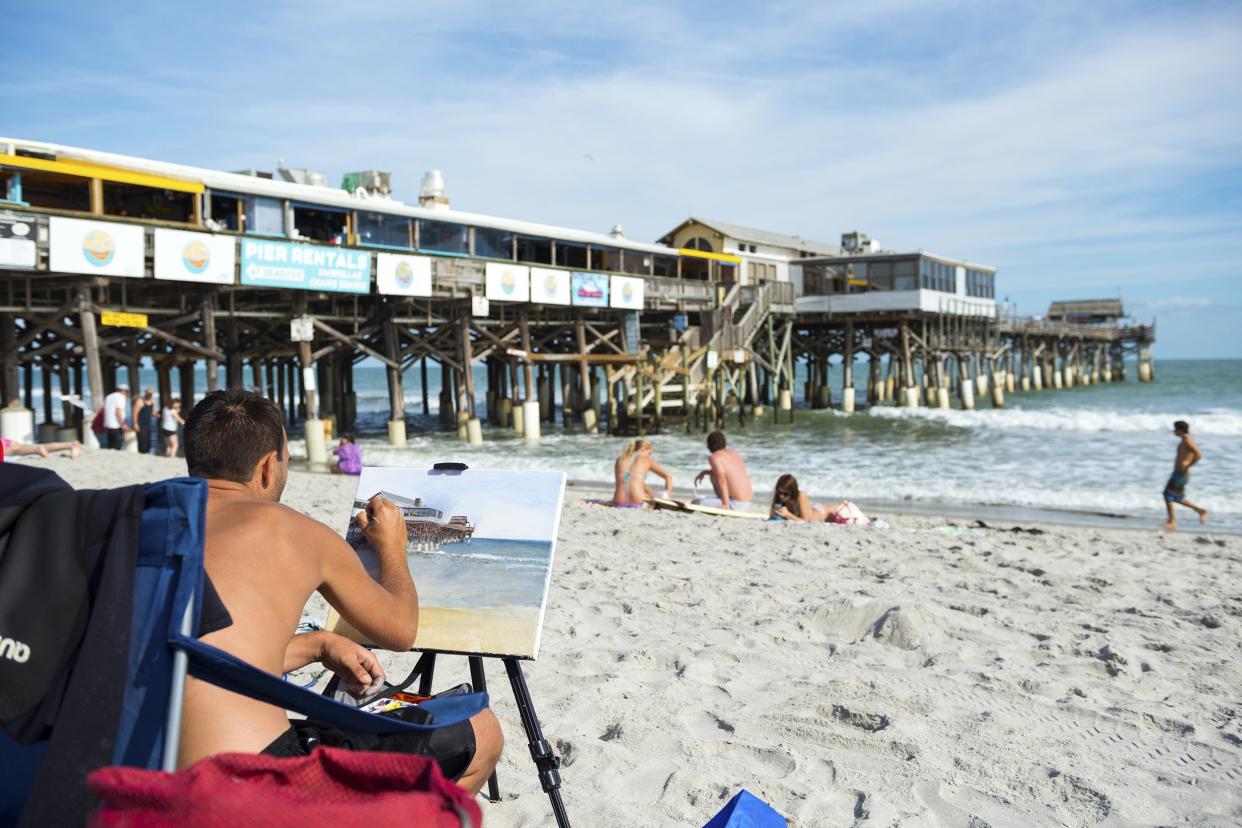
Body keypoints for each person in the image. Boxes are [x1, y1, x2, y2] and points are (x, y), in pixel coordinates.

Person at [177, 389, 502, 794]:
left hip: (144, 756)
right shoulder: (293, 530)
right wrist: (393, 551)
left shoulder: (134, 521)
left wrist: (316, 645)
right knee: (481, 729)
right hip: (253, 775)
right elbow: (399, 630)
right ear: (266, 467)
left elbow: (200, 656)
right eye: (285, 463)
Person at [770, 474, 869, 525]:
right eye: (779, 492)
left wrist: (788, 515)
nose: (781, 496)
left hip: (833, 513)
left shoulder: (801, 496)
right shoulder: (778, 497)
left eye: (785, 493)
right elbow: (772, 517)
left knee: (859, 520)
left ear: (793, 492)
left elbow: (806, 522)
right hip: (817, 511)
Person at [1162, 420, 1208, 530]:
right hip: (1178, 473)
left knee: (1168, 495)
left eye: (1175, 429)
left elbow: (1199, 454)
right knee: (1176, 497)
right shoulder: (1185, 439)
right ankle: (1200, 510)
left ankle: (1172, 522)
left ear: (1180, 430)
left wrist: (1188, 465)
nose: (1173, 431)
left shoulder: (1187, 439)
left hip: (1181, 473)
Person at [692, 431, 754, 510]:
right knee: (713, 475)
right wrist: (705, 472)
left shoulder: (714, 457)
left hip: (736, 504)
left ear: (709, 445)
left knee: (696, 502)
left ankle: (724, 502)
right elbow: (730, 472)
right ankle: (723, 501)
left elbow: (722, 480)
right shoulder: (735, 454)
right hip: (748, 503)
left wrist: (725, 504)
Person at [612, 439, 673, 507]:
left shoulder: (620, 459)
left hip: (618, 501)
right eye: (650, 453)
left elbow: (626, 480)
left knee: (648, 492)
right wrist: (666, 497)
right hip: (637, 502)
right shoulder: (646, 460)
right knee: (649, 496)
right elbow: (668, 476)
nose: (649, 456)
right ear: (644, 449)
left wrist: (651, 493)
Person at [0, 436, 81, 460]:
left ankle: (36, 450)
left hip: (4, 445)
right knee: (20, 448)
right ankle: (70, 445)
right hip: (5, 441)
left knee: (16, 451)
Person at [102, 384, 130, 450]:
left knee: (110, 446)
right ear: (124, 391)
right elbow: (118, 411)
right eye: (127, 392)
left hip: (107, 424)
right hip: (116, 426)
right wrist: (123, 424)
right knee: (117, 447)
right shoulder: (121, 397)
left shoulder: (108, 396)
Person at [132, 387, 156, 454]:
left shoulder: (152, 401)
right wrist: (135, 424)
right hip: (140, 424)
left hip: (148, 424)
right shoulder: (140, 401)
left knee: (148, 441)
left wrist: (158, 415)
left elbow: (152, 412)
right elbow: (134, 413)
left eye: (151, 394)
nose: (150, 395)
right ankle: (141, 454)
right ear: (146, 393)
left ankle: (147, 453)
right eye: (149, 393)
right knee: (142, 441)